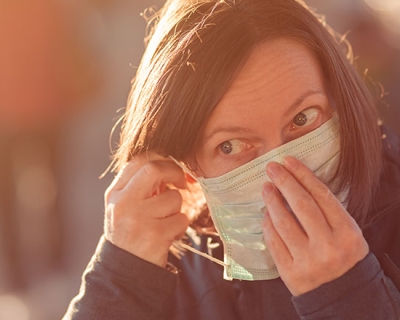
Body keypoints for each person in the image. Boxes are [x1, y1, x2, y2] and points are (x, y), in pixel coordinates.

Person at [63, 0, 400, 318]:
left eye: (302, 118)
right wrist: (122, 281)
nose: (280, 172)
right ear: (186, 165)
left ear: (341, 101)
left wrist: (347, 296)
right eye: (232, 145)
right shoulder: (176, 267)